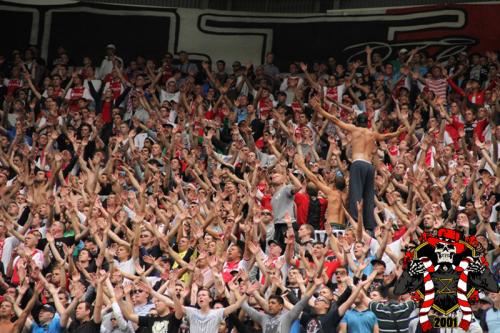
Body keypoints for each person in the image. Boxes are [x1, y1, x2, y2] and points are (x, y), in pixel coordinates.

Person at [310, 97, 404, 233]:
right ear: (367, 123)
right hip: (369, 166)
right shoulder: (372, 133)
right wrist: (398, 132)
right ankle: (370, 225)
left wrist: (319, 109)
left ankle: (353, 221)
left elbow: (335, 120)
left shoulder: (354, 129)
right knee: (368, 195)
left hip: (358, 163)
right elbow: (386, 136)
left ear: (357, 122)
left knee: (356, 194)